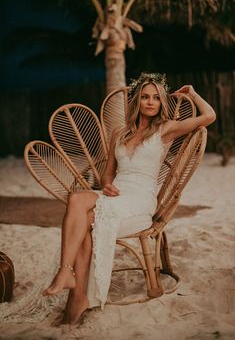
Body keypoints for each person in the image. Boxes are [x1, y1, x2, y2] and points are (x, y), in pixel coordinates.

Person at [42, 72, 216, 324]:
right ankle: (68, 277)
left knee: (88, 221)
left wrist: (193, 93)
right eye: (145, 97)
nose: (150, 102)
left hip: (139, 200)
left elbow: (209, 117)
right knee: (77, 200)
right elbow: (107, 174)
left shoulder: (165, 129)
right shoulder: (119, 133)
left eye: (156, 98)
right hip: (116, 195)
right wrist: (108, 185)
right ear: (137, 100)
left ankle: (72, 288)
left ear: (161, 103)